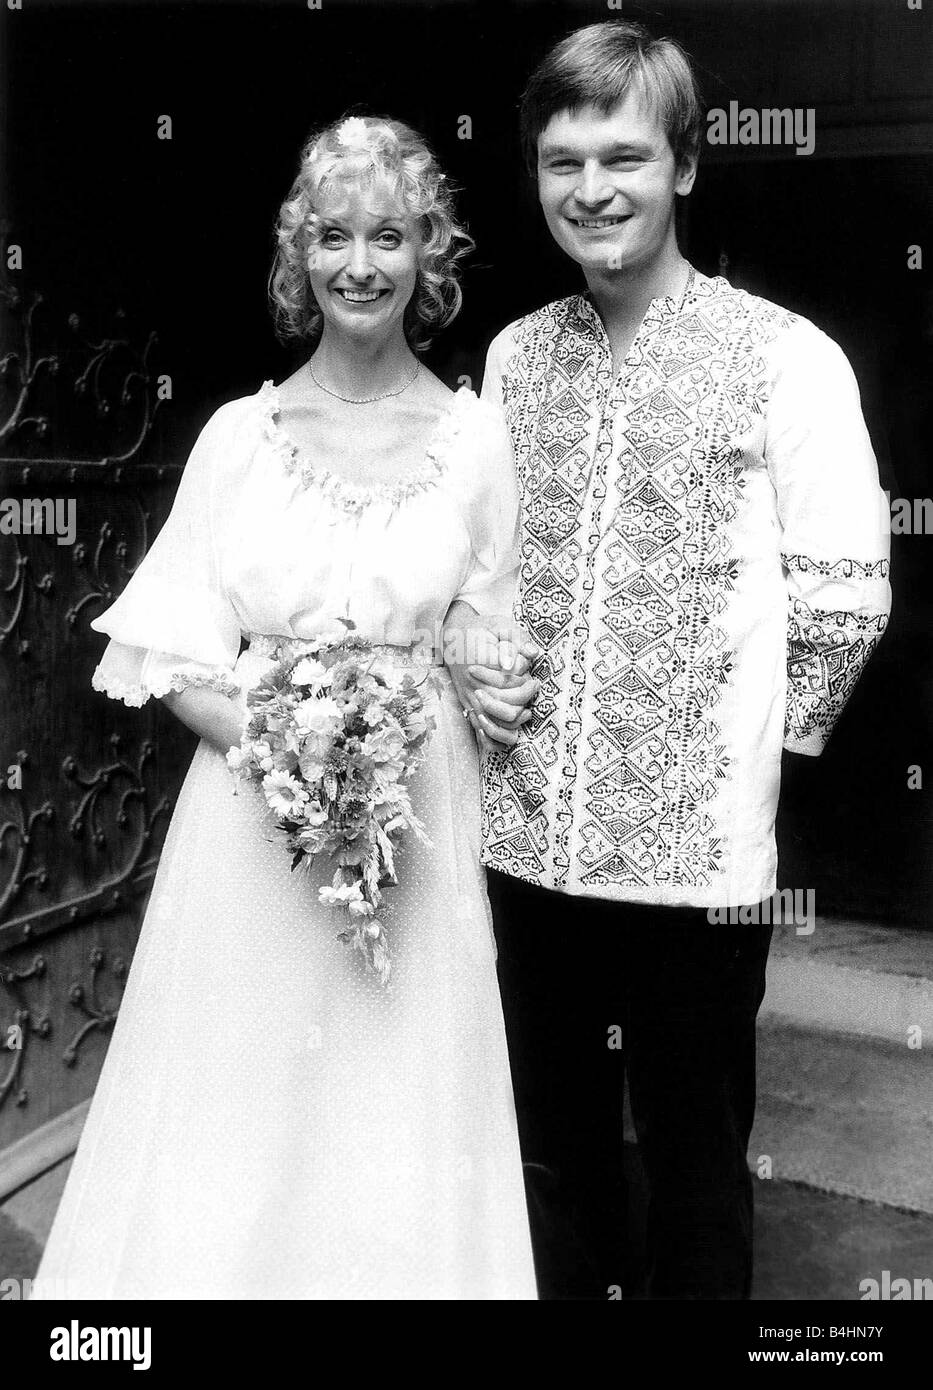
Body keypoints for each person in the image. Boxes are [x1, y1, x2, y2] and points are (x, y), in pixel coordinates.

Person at [31, 115, 538, 1300]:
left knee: (394, 1091)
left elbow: (487, 627)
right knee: (240, 1098)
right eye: (332, 235)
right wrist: (290, 747)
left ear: (431, 257)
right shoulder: (236, 439)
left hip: (418, 816)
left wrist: (470, 684)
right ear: (296, 256)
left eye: (390, 236)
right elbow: (174, 655)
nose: (359, 263)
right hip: (253, 821)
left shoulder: (476, 439)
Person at [446, 20, 892, 1300]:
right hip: (529, 837)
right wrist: (482, 659)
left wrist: (750, 754)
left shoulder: (784, 357)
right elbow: (485, 570)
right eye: (562, 159)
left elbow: (847, 592)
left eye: (625, 155)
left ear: (685, 167)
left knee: (698, 1163)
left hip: (702, 860)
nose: (592, 188)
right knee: (555, 1155)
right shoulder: (516, 359)